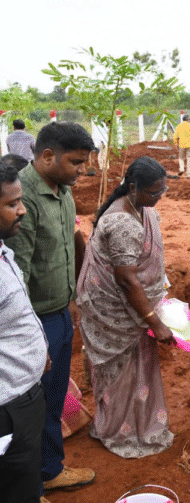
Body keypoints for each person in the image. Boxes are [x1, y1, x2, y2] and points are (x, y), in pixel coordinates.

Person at [4, 122, 96, 493]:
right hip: (33, 321)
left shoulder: (64, 191)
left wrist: (71, 299)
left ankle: (50, 468)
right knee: (30, 409)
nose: (81, 171)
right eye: (75, 163)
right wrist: (34, 337)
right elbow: (19, 273)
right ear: (47, 156)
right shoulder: (21, 199)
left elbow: (65, 250)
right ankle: (31, 489)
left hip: (60, 313)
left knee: (54, 396)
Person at [77, 157, 175, 458]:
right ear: (132, 188)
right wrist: (154, 321)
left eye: (163, 190)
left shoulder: (142, 211)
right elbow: (127, 280)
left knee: (138, 367)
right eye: (154, 192)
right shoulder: (122, 222)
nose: (159, 197)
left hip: (135, 307)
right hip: (114, 313)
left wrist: (159, 293)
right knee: (121, 372)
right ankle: (119, 429)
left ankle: (137, 421)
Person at [0, 161, 49, 503]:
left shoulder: (4, 251)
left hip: (23, 396)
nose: (22, 211)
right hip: (7, 409)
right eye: (11, 204)